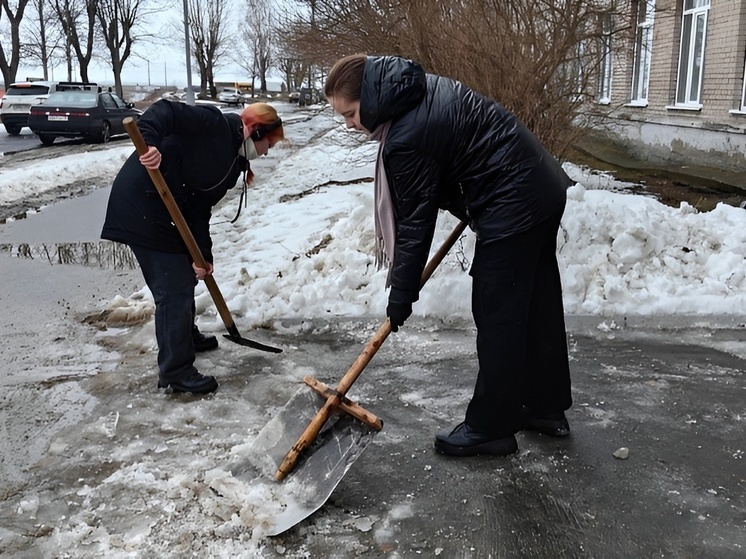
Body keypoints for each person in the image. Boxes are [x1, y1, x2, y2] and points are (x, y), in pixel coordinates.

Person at [324, 54, 573, 457]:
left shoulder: (405, 135)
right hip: (539, 185)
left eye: (351, 114)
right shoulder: (415, 92)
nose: (349, 124)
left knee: (498, 313)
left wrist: (401, 294)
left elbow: (414, 223)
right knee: (536, 304)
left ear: (370, 99)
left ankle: (490, 427)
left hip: (514, 200)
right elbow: (452, 159)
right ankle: (544, 408)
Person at [101, 100, 284, 394]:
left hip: (171, 211)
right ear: (256, 131)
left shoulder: (234, 163)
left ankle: (184, 336)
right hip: (142, 203)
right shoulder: (213, 124)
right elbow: (165, 111)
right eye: (269, 146)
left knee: (184, 275)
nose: (265, 153)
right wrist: (148, 145)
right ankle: (175, 371)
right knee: (172, 287)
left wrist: (202, 253)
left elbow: (201, 206)